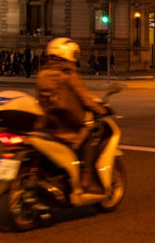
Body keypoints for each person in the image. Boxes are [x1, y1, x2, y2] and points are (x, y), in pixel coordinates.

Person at [36, 37, 110, 192]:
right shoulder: (69, 74)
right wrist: (102, 110)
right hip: (68, 126)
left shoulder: (42, 73)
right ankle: (86, 173)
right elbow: (85, 99)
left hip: (48, 125)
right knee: (92, 131)